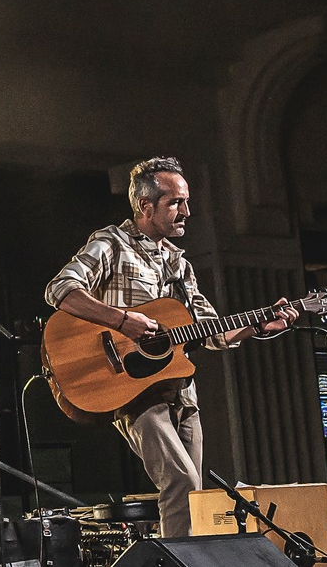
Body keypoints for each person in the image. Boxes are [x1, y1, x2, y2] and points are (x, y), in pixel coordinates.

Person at [44, 156, 296, 537]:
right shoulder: (111, 243)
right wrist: (121, 319)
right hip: (134, 389)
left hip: (181, 391)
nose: (187, 212)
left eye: (186, 201)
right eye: (175, 202)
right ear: (146, 206)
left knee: (192, 494)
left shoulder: (180, 265)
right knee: (181, 481)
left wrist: (258, 327)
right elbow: (59, 290)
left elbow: (213, 334)